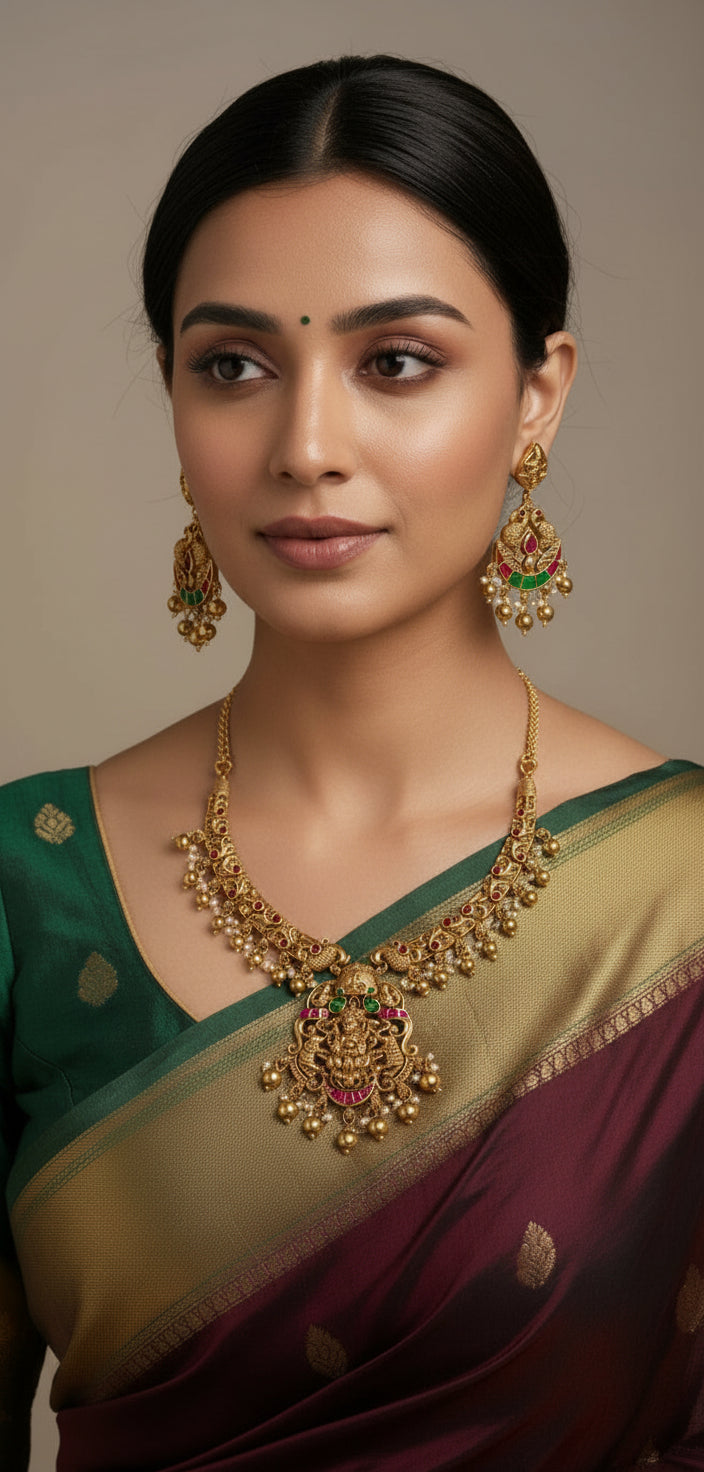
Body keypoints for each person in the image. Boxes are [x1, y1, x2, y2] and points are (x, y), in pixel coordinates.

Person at [1, 52, 702, 1472]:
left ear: (536, 395)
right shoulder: (29, 889)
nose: (306, 445)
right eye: (235, 366)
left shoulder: (682, 901)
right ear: (175, 400)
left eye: (397, 362)